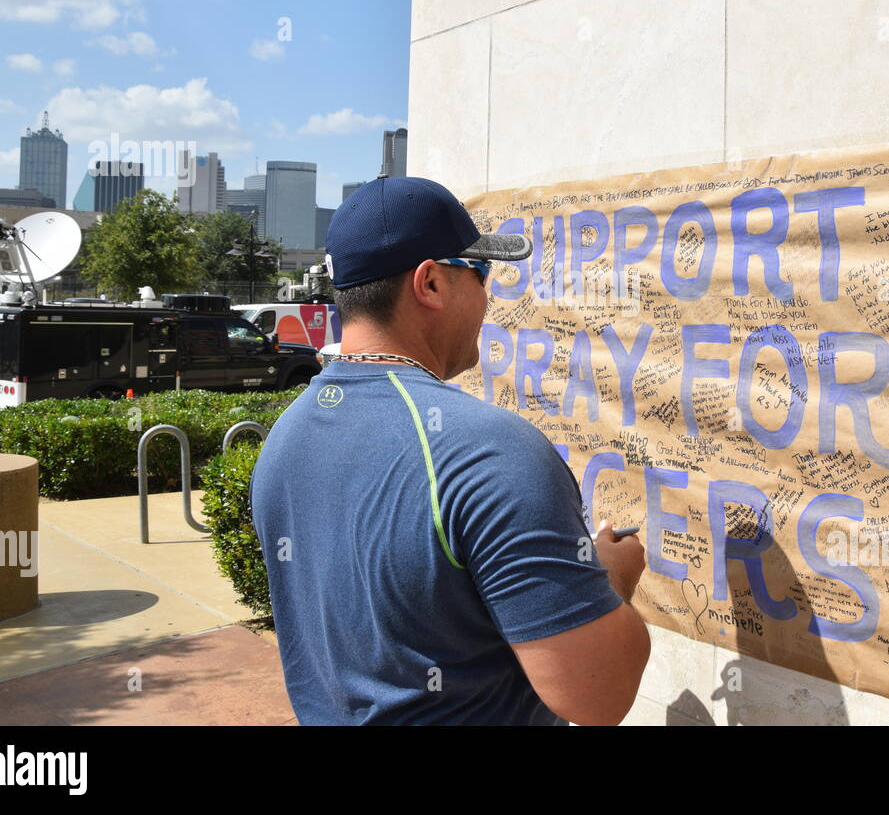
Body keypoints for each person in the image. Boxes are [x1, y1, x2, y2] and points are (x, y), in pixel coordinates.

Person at [250, 176, 650, 725]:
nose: (488, 299)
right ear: (432, 283)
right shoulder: (490, 452)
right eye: (481, 273)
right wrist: (611, 577)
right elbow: (596, 696)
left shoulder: (287, 435)